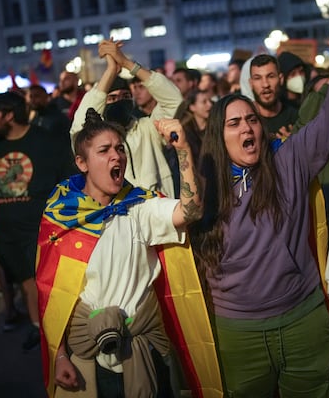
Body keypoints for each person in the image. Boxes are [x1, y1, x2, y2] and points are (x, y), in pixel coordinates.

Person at [190, 24, 329, 397]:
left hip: (302, 320)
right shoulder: (205, 188)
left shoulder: (288, 161)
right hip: (237, 334)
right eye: (234, 123)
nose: (247, 128)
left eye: (251, 119)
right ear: (220, 137)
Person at [36, 107, 222, 397]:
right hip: (88, 357)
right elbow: (52, 294)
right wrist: (59, 355)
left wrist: (183, 150)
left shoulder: (139, 206)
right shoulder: (62, 216)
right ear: (81, 163)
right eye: (104, 150)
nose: (116, 156)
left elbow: (191, 209)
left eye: (120, 149)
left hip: (145, 350)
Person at [0, 91, 75, 351]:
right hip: (6, 234)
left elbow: (69, 183)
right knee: (27, 285)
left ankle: (58, 338)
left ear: (9, 115)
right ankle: (42, 332)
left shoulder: (48, 142)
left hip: (43, 230)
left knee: (45, 284)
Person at [70, 39, 183, 198]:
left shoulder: (148, 128)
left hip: (157, 216)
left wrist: (127, 63)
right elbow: (79, 125)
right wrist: (110, 71)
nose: (119, 101)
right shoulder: (93, 138)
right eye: (112, 98)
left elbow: (173, 99)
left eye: (125, 96)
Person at [249, 54, 298, 139]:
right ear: (251, 83)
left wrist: (295, 145)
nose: (265, 84)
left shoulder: (296, 118)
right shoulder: (245, 120)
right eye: (258, 78)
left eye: (271, 76)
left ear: (281, 79)